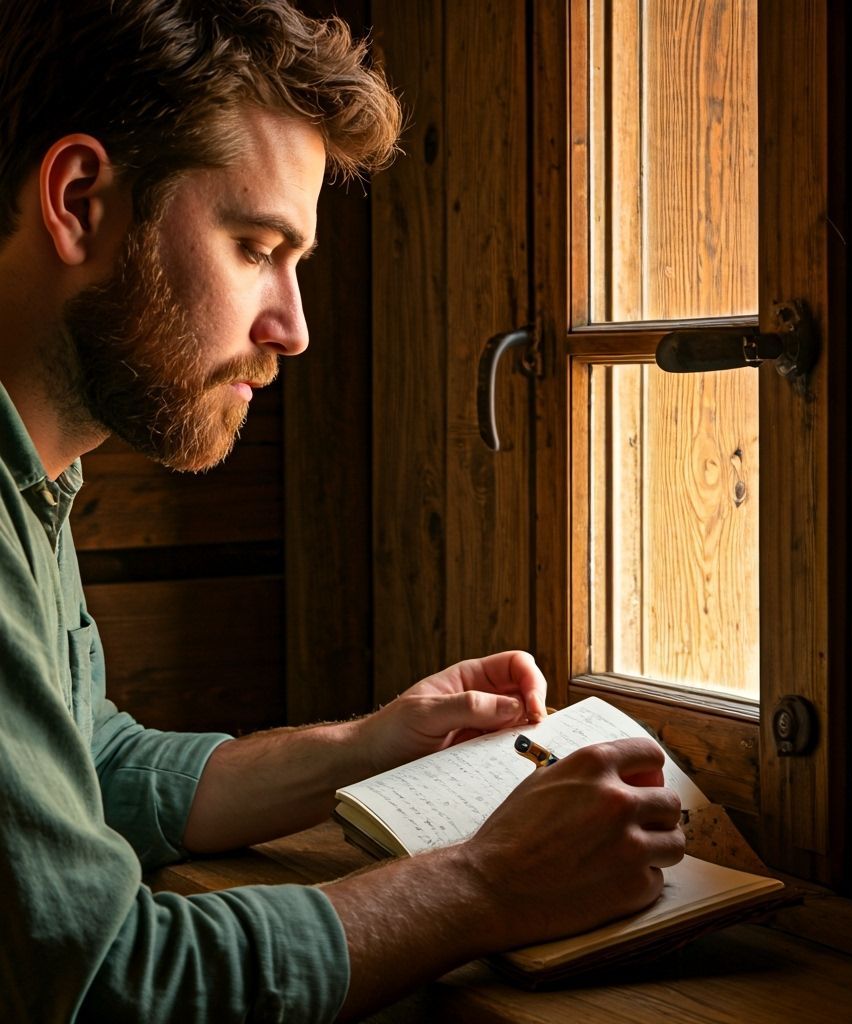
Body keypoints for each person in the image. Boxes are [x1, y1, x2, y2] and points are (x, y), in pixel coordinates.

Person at [0, 2, 686, 1020]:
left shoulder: (33, 483)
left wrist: (368, 748)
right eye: (253, 245)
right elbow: (105, 985)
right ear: (81, 199)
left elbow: (95, 765)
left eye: (297, 260)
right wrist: (488, 882)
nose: (294, 326)